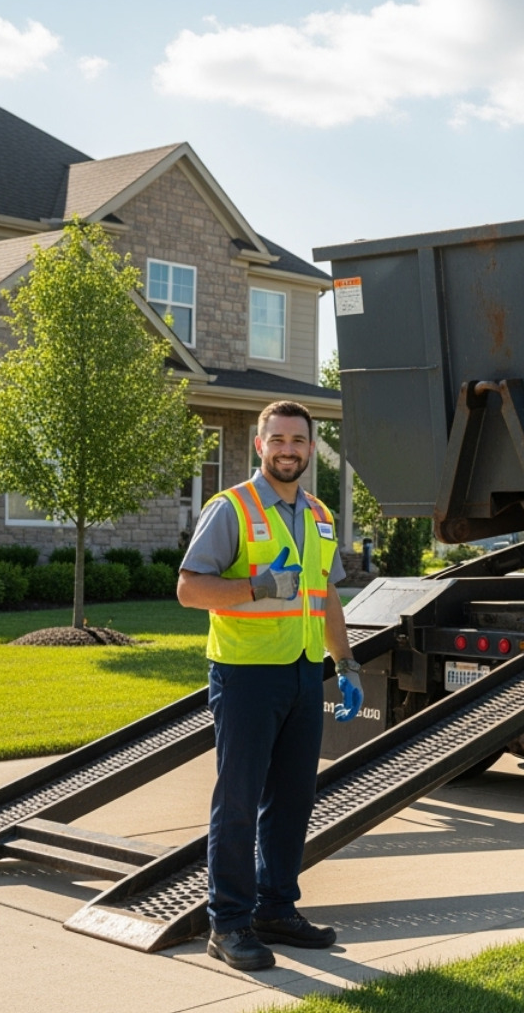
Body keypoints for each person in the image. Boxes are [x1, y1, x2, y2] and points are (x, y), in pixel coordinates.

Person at [177, 400, 360, 971]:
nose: (288, 449)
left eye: (298, 441)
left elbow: (325, 595)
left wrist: (346, 663)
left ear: (310, 447)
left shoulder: (321, 515)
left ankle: (276, 907)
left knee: (293, 799)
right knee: (237, 802)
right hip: (247, 676)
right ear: (260, 445)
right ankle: (228, 923)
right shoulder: (231, 508)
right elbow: (189, 589)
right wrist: (257, 587)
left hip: (305, 673)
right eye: (277, 439)